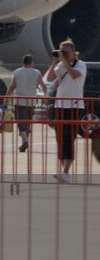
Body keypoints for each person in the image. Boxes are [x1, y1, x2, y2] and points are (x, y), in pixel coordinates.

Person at [43, 39, 87, 183]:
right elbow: (49, 79)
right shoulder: (61, 65)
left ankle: (66, 172)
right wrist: (55, 62)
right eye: (61, 51)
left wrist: (64, 62)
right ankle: (64, 172)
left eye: (65, 52)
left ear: (73, 52)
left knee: (69, 138)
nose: (63, 54)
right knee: (60, 138)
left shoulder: (81, 65)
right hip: (60, 106)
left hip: (74, 106)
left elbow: (74, 75)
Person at [5, 54, 42, 152]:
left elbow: (12, 86)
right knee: (27, 123)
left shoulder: (17, 72)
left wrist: (6, 98)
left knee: (21, 122)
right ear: (32, 62)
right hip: (32, 102)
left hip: (20, 101)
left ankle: (24, 141)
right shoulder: (37, 72)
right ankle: (24, 141)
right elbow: (42, 85)